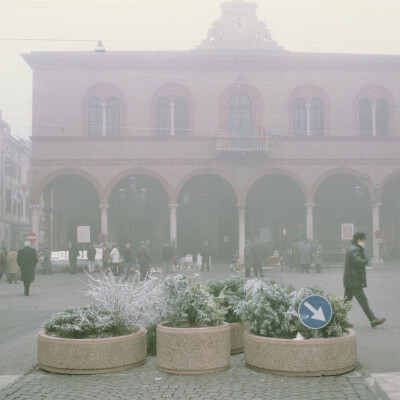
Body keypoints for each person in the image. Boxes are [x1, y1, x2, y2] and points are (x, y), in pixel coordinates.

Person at [343, 232, 386, 328]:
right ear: (359, 240)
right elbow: (358, 262)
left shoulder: (353, 248)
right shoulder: (355, 250)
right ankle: (373, 320)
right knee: (363, 301)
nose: (365, 242)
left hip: (351, 280)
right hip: (354, 281)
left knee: (346, 302)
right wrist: (366, 260)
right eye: (364, 240)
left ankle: (338, 320)